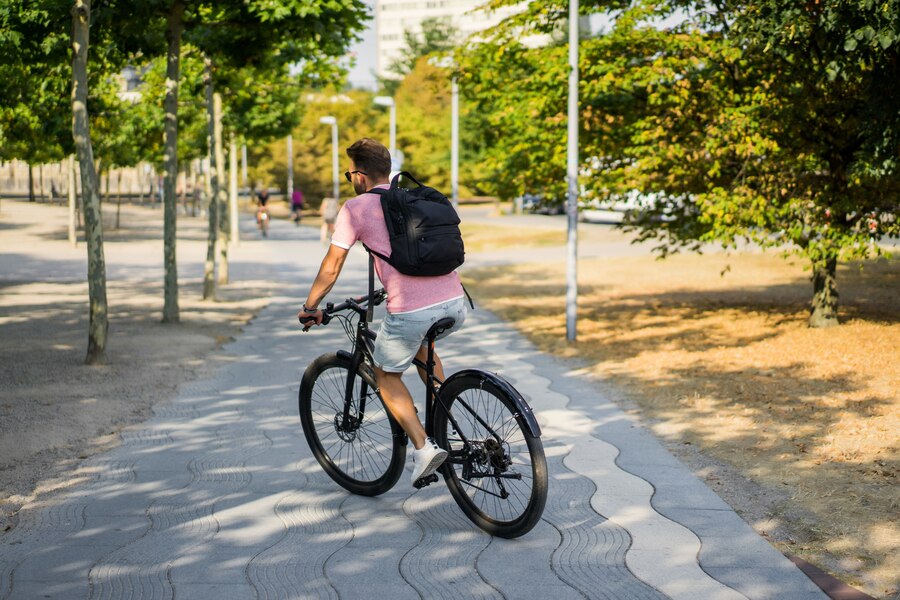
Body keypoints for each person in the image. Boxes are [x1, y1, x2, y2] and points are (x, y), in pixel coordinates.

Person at [298, 138, 467, 487]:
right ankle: (446, 416)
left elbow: (331, 268)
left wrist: (310, 307)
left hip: (413, 309)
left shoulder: (356, 208)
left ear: (359, 175)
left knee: (385, 373)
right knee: (419, 347)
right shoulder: (415, 197)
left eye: (350, 174)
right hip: (455, 301)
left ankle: (424, 448)